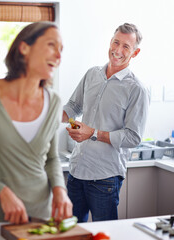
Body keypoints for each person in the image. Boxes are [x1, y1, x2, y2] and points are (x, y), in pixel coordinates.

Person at [62, 23, 150, 222]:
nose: (118, 50)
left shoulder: (136, 89)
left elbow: (133, 137)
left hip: (105, 179)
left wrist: (92, 133)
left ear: (135, 53)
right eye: (116, 42)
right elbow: (74, 106)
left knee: (104, 234)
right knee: (71, 234)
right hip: (76, 172)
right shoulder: (92, 74)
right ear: (110, 41)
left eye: (126, 46)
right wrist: (45, 114)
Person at [0, 21, 72, 224]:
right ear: (24, 47)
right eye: (52, 45)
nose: (59, 56)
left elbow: (52, 158)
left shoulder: (54, 102)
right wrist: (0, 191)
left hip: (41, 215)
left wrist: (60, 191)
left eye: (61, 50)